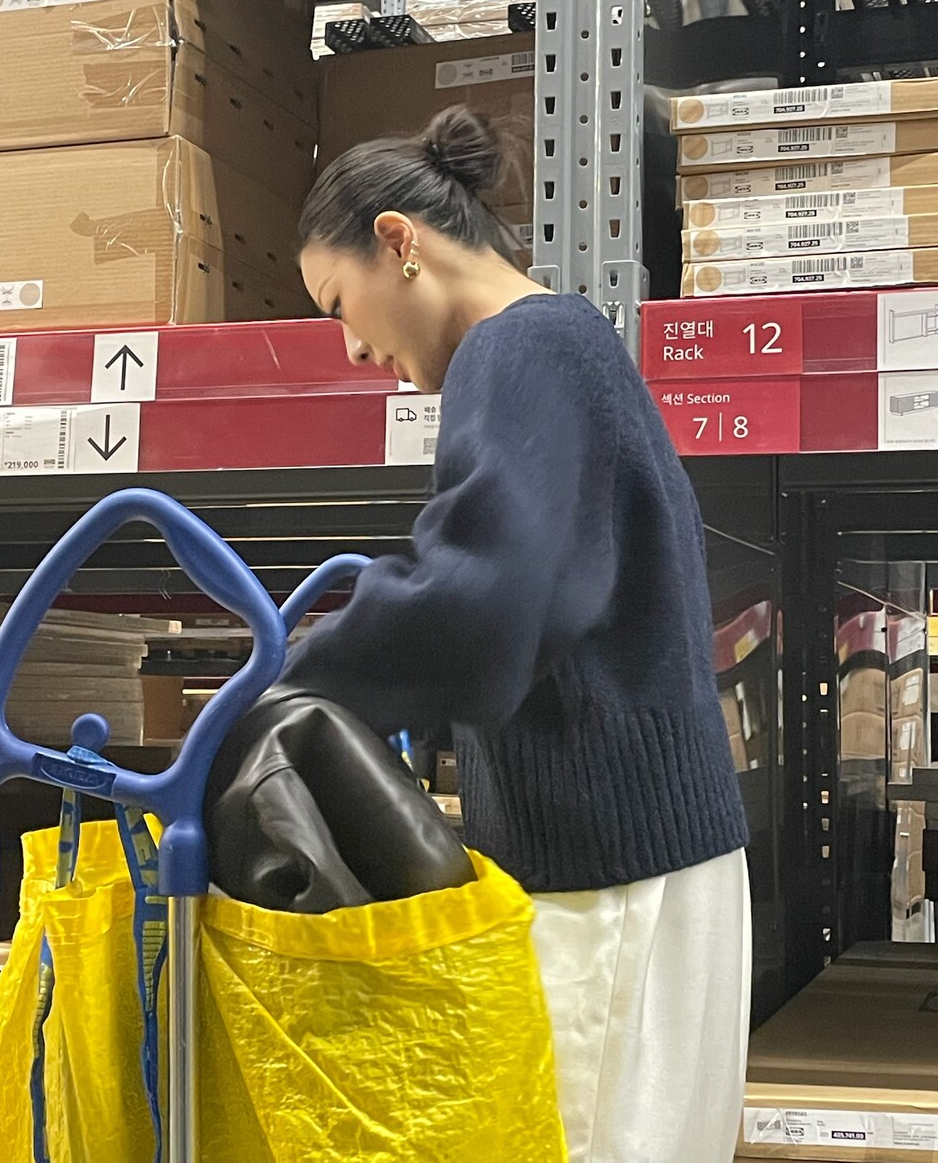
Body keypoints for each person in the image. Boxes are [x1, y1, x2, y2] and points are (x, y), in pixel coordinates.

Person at [283, 103, 752, 1163]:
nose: (352, 345)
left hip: (609, 880)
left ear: (398, 242)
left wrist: (286, 692)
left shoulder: (520, 346)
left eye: (338, 303)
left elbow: (483, 596)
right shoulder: (562, 345)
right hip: (643, 866)